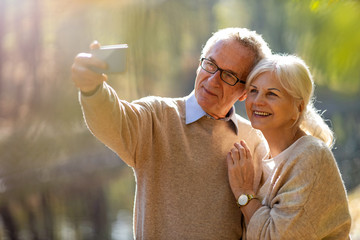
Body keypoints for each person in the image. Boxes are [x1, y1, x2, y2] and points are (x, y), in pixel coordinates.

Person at [71, 28, 272, 239]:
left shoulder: (255, 142)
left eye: (229, 75)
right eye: (210, 64)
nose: (213, 80)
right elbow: (111, 121)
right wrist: (92, 90)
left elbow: (264, 226)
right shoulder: (156, 117)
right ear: (199, 64)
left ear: (244, 92)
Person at [226, 54, 352, 239]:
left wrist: (244, 194)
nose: (257, 101)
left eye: (272, 94)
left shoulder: (311, 156)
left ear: (299, 108)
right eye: (253, 90)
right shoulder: (259, 153)